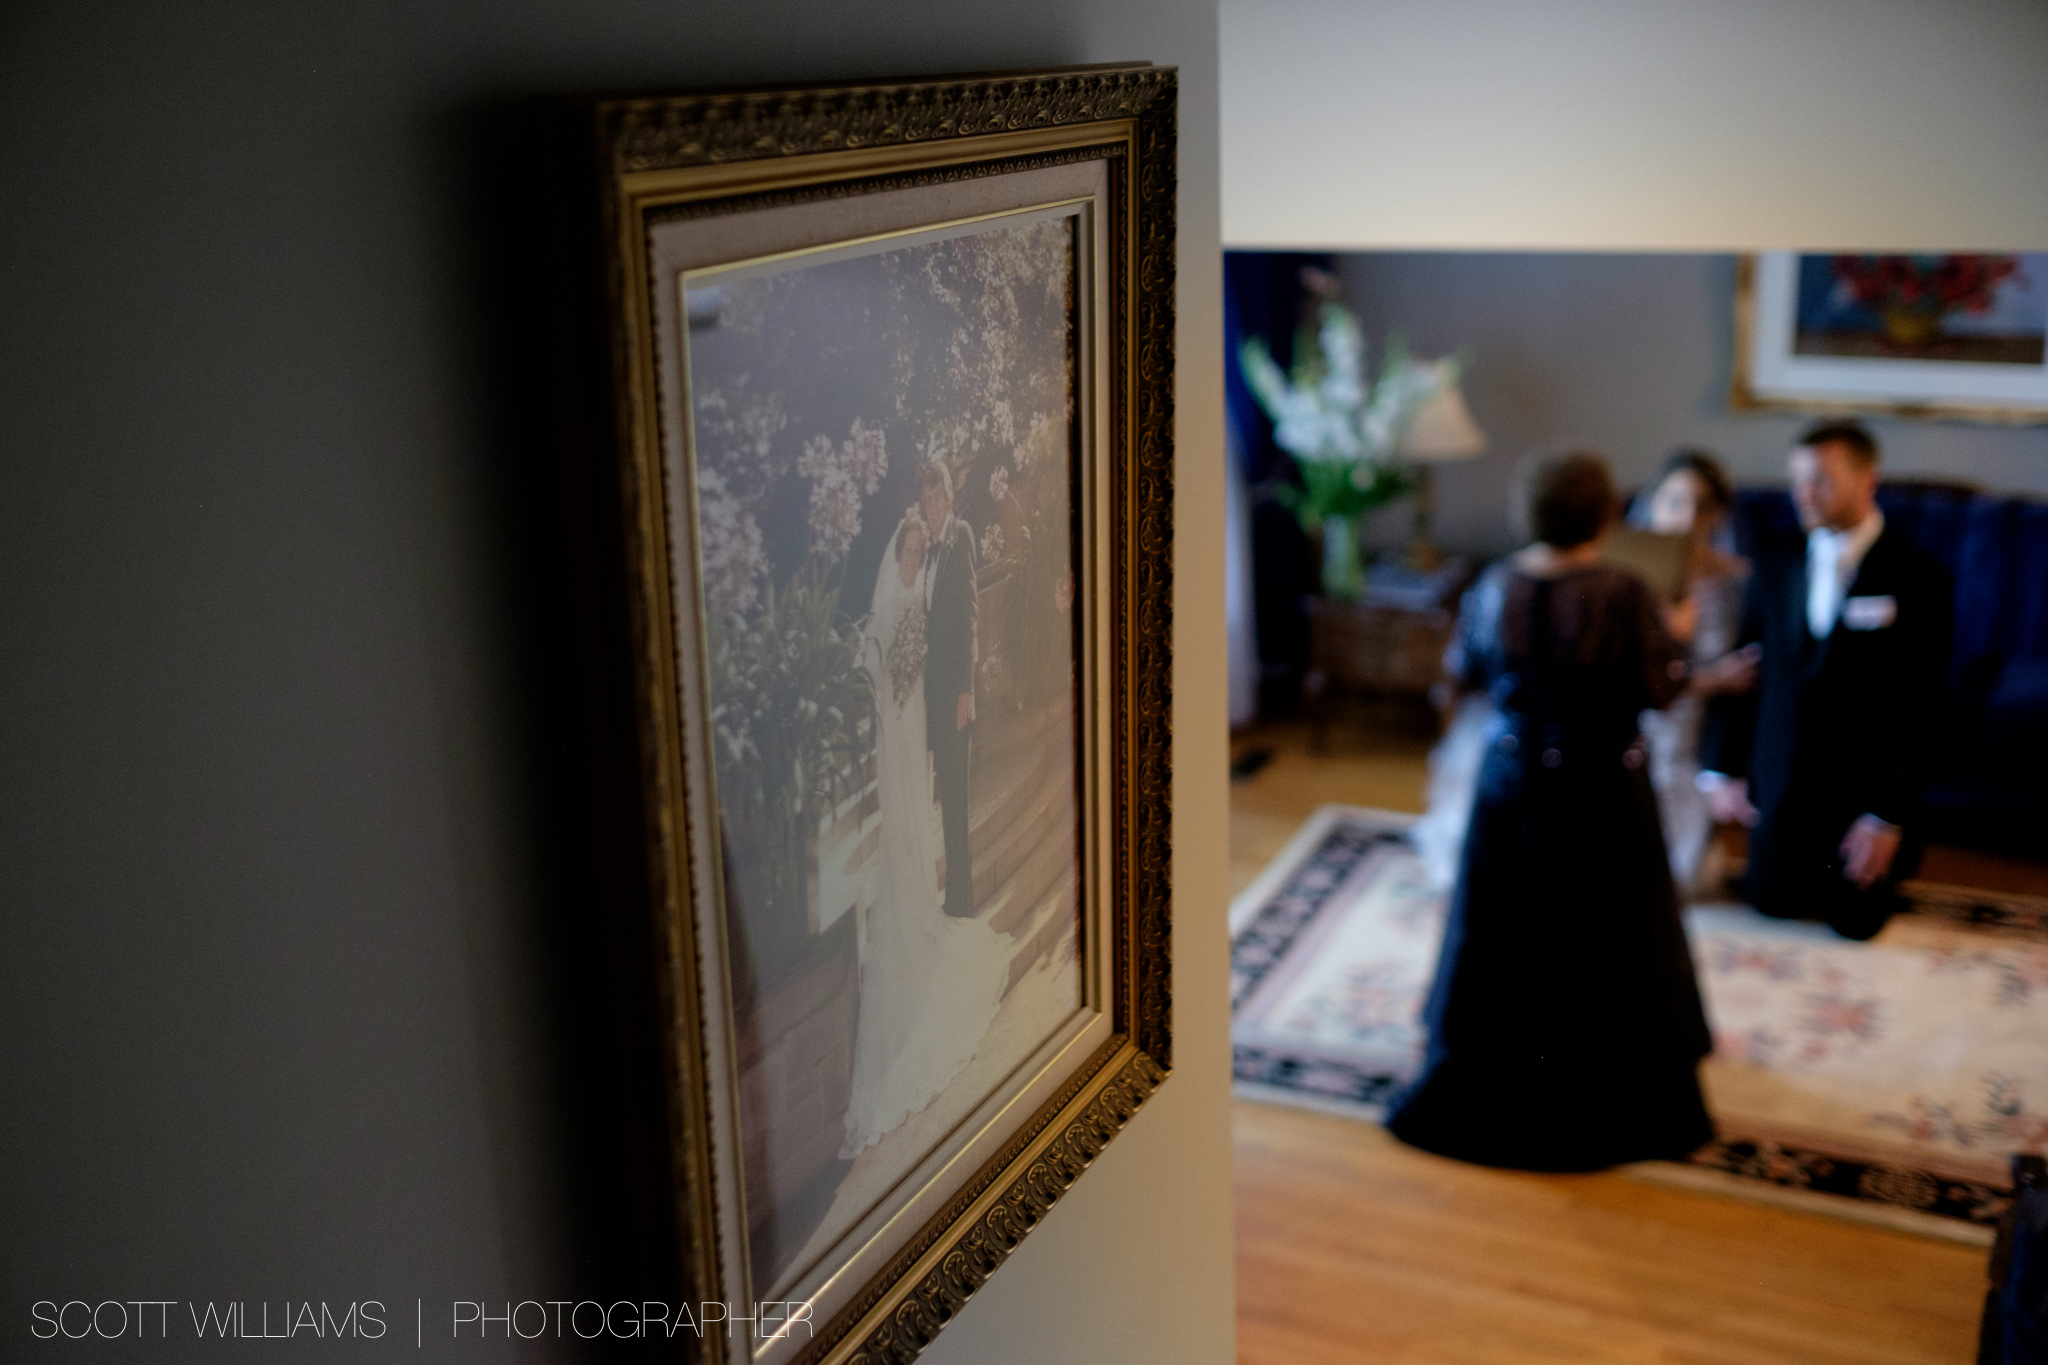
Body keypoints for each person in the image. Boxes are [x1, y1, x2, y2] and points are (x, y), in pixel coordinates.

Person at [1386, 452, 1714, 1171]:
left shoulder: (1495, 583)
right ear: (1603, 515)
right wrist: (1681, 631)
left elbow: (1465, 672)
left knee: (1505, 930)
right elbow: (1662, 688)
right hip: (1599, 793)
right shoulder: (1626, 591)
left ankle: (1494, 1067)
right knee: (1604, 934)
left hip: (1511, 785)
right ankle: (1600, 1084)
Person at [1698, 420, 1953, 941]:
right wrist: (1720, 768)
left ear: (1867, 480)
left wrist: (1887, 816)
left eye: (1820, 479)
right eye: (1797, 481)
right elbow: (1744, 670)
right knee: (1770, 910)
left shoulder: (1919, 575)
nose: (1804, 495)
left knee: (1854, 924)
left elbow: (1925, 707)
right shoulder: (1774, 561)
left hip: (1856, 803)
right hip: (1781, 794)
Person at [841, 509, 1009, 1158]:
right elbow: (873, 658)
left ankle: (931, 885)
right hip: (899, 720)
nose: (913, 553)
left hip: (924, 714)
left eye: (917, 545)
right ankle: (912, 887)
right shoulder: (892, 590)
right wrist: (891, 686)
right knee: (907, 808)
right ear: (898, 551)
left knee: (927, 808)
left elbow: (954, 626)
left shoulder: (938, 569)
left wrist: (951, 685)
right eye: (907, 545)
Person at [1630, 449, 1752, 896]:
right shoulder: (1623, 579)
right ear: (1653, 505)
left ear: (1717, 515)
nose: (1686, 516)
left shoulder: (1738, 580)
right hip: (1632, 720)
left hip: (1699, 735)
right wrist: (1708, 679)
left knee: (1677, 875)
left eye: (1701, 505)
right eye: (1674, 501)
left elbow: (1748, 668)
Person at [918, 459, 980, 920]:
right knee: (945, 797)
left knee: (957, 801)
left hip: (954, 696)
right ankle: (953, 896)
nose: (933, 506)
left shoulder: (961, 538)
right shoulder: (925, 550)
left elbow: (968, 617)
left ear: (950, 496)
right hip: (930, 697)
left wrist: (966, 690)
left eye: (938, 497)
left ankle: (962, 901)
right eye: (926, 501)